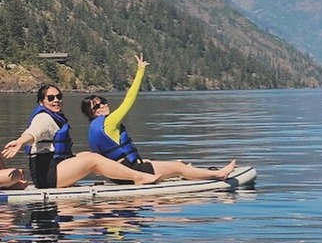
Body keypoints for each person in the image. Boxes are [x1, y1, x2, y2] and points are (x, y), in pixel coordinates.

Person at [80, 54, 236, 182]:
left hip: (119, 174)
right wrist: (140, 71)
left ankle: (184, 171)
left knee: (171, 163)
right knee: (179, 168)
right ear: (91, 112)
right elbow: (129, 99)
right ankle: (219, 174)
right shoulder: (110, 122)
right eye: (97, 106)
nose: (103, 106)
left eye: (103, 102)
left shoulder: (93, 129)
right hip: (131, 170)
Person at [2, 84, 161, 188]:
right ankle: (137, 177)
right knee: (92, 160)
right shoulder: (44, 118)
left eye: (59, 97)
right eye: (51, 98)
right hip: (47, 177)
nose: (56, 100)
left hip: (51, 169)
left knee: (88, 155)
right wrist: (20, 142)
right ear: (41, 102)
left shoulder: (53, 116)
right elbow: (33, 132)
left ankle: (120, 174)